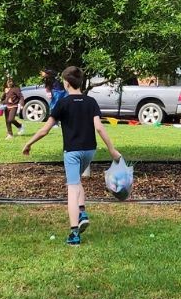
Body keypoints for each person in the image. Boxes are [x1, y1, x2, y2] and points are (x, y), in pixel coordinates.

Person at [22, 66, 122, 244]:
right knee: (76, 180)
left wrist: (29, 143)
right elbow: (99, 127)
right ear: (80, 82)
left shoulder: (63, 103)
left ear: (66, 83)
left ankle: (74, 233)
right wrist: (112, 150)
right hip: (89, 151)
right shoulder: (91, 102)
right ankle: (82, 212)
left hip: (72, 153)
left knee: (72, 188)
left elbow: (45, 130)